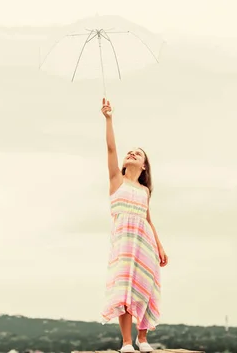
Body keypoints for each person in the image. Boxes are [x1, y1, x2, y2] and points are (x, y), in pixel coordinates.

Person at [99, 98, 169, 353]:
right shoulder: (116, 180)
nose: (131, 153)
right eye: (130, 152)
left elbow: (148, 219)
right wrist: (108, 119)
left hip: (145, 244)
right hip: (124, 246)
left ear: (143, 165)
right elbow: (110, 149)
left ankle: (143, 339)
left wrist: (160, 246)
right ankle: (127, 342)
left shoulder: (144, 190)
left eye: (137, 153)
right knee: (124, 289)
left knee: (146, 287)